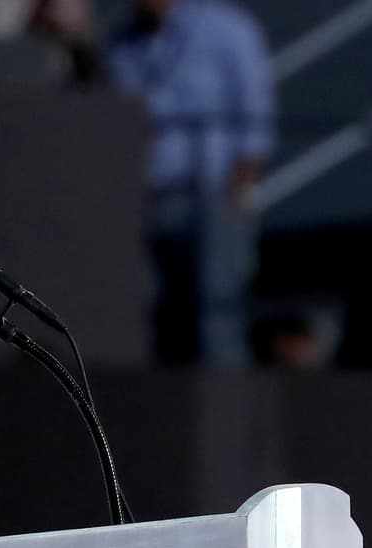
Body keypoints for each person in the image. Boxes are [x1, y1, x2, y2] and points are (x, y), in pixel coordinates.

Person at [110, 0, 275, 366]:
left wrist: (240, 192)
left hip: (212, 193)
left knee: (217, 316)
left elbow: (254, 113)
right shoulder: (123, 40)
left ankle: (224, 419)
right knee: (149, 319)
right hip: (143, 198)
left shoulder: (227, 28)